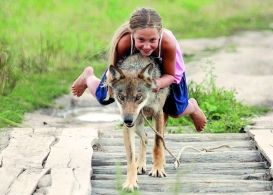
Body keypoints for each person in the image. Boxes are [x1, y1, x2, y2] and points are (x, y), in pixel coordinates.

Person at [72, 8, 206, 132]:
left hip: (168, 72)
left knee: (175, 110)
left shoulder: (167, 43)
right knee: (104, 98)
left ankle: (193, 106)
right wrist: (114, 87)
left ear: (159, 34)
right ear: (132, 34)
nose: (147, 46)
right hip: (134, 70)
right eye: (141, 40)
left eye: (152, 40)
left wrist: (156, 84)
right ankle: (88, 77)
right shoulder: (124, 42)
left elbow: (170, 75)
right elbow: (116, 70)